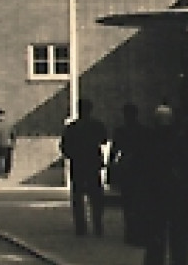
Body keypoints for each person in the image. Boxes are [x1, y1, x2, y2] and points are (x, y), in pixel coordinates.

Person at [140, 103, 188, 265]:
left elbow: (145, 168)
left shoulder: (150, 139)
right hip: (179, 193)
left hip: (157, 192)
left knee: (157, 230)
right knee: (179, 232)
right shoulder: (181, 139)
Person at [60, 98, 109, 236]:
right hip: (93, 164)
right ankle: (98, 225)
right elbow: (104, 139)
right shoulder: (97, 125)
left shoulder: (72, 128)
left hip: (78, 164)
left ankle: (80, 227)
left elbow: (64, 146)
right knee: (96, 196)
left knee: (78, 197)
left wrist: (72, 155)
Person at [107, 103, 146, 246]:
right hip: (139, 168)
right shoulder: (143, 131)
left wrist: (111, 167)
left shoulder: (120, 131)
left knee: (128, 202)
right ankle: (137, 231)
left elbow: (114, 150)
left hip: (127, 168)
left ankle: (130, 231)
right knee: (138, 201)